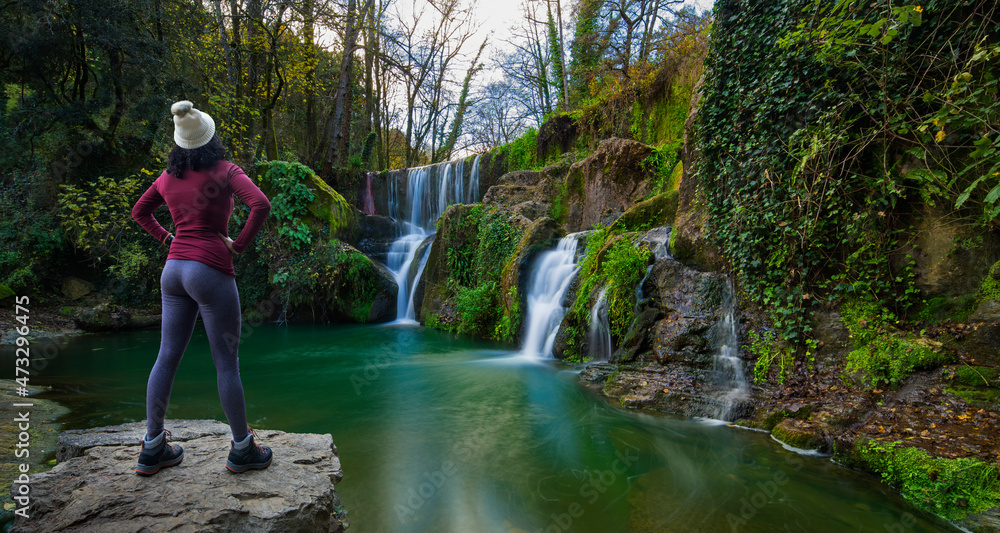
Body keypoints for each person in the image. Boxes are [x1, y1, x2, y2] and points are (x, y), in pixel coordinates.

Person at [131, 100, 273, 475]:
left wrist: (166, 238)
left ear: (179, 142)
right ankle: (242, 449)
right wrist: (238, 245)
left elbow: (139, 211)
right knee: (227, 365)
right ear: (211, 138)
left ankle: (152, 447)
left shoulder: (167, 177)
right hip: (209, 270)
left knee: (166, 356)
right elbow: (260, 204)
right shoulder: (226, 171)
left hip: (173, 271)